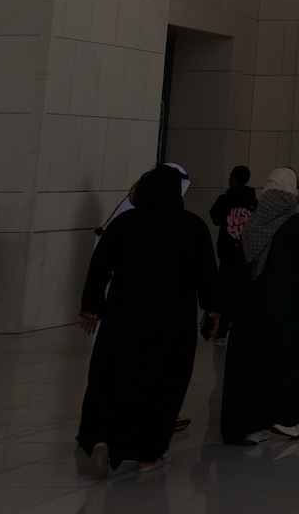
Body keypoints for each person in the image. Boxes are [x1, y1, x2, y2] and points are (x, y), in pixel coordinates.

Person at [74, 165, 217, 476]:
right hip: (172, 322)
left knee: (113, 378)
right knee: (163, 384)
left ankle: (102, 439)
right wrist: (212, 312)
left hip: (123, 317)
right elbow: (207, 276)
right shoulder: (193, 226)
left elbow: (99, 268)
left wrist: (91, 310)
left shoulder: (125, 223)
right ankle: (147, 455)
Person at [221, 169, 299, 445]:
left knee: (255, 362)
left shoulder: (254, 223)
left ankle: (251, 424)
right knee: (289, 361)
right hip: (285, 305)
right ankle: (285, 417)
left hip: (252, 308)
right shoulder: (295, 222)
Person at [205, 166, 256, 341]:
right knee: (243, 295)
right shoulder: (254, 201)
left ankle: (220, 331)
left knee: (224, 294)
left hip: (227, 255)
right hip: (247, 255)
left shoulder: (225, 200)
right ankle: (242, 331)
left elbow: (215, 218)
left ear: (232, 178)